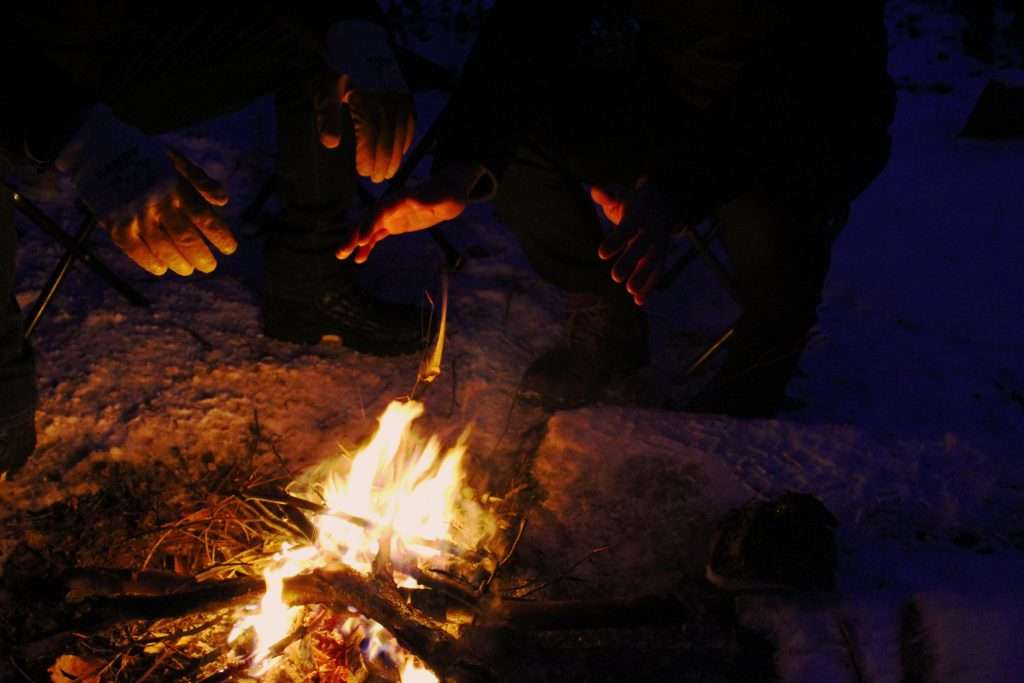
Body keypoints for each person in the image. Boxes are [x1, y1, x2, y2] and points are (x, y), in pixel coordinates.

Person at [338, 0, 897, 416]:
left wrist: (672, 188)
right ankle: (605, 312)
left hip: (813, 116)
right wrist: (464, 165)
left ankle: (766, 349)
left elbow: (805, 78)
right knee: (525, 131)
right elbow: (531, 24)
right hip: (676, 93)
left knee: (768, 206)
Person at [0, 5, 424, 478]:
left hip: (119, 48)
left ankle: (310, 280)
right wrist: (77, 135)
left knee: (318, 45)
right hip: (19, 72)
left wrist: (351, 27)